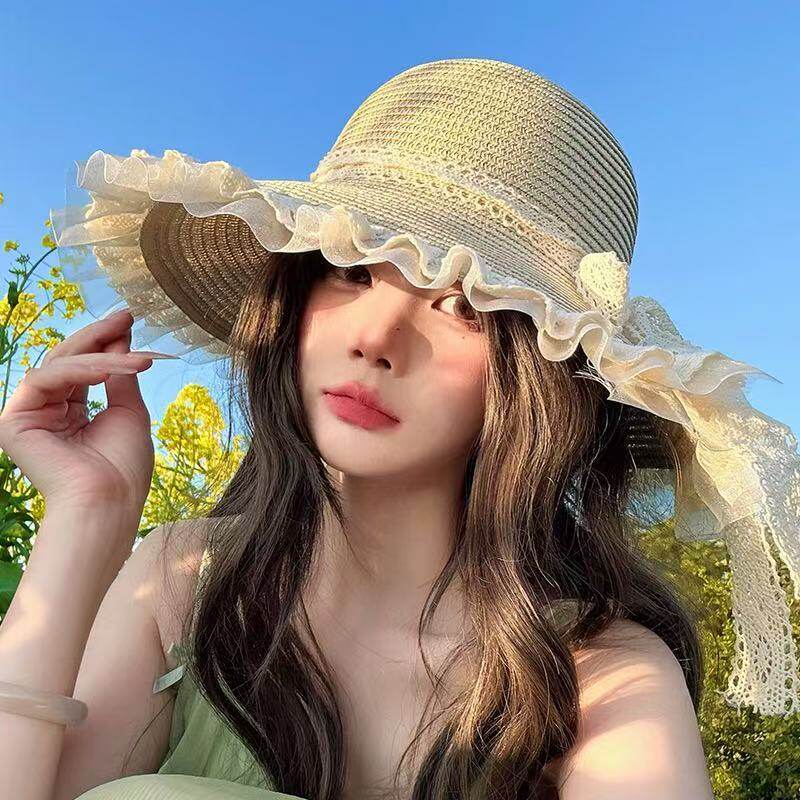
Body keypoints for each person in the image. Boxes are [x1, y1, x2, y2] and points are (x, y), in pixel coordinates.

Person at [3, 56, 795, 799]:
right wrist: (86, 519)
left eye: (463, 306)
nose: (374, 339)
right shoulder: (182, 584)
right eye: (350, 271)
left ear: (543, 377)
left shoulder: (599, 676)